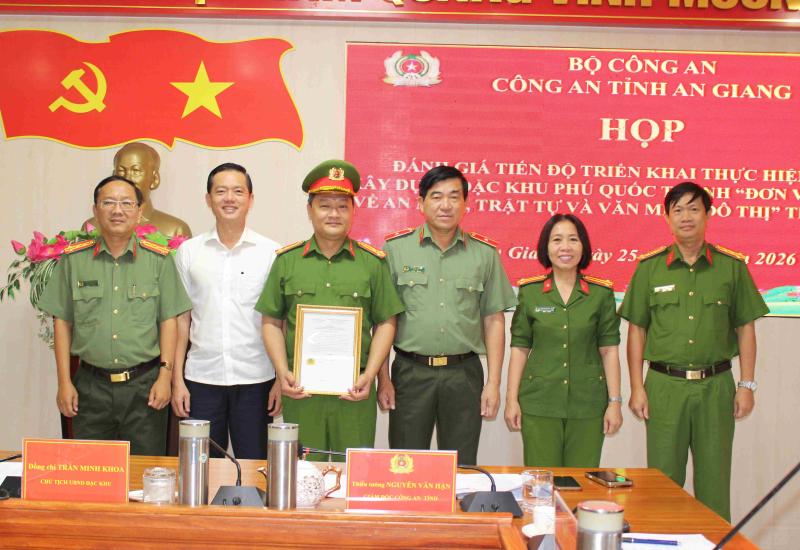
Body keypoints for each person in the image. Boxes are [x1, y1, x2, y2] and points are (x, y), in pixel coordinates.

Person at [619, 181, 769, 521]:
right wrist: (637, 387)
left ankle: (715, 542)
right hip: (663, 387)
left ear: (707, 215)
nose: (686, 217)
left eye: (694, 209)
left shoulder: (731, 267)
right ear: (667, 218)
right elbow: (637, 330)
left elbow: (745, 328)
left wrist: (747, 384)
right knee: (662, 483)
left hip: (716, 387)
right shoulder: (649, 268)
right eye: (678, 210)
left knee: (714, 483)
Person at [256, 160, 404, 460]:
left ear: (353, 211)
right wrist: (282, 372)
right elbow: (271, 321)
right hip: (301, 391)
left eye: (342, 206)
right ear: (309, 210)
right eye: (324, 205)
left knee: (353, 470)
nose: (333, 214)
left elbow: (386, 322)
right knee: (304, 472)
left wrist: (370, 375)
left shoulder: (372, 263)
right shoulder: (287, 261)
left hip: (354, 391)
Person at [38, 175, 192, 455]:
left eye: (126, 203)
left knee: (145, 471)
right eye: (108, 202)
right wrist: (64, 382)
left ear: (139, 212)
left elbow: (168, 321)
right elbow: (62, 322)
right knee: (92, 469)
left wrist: (165, 377)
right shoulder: (74, 260)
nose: (117, 210)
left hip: (145, 387)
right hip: (91, 387)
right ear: (95, 210)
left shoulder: (159, 260)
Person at [378, 165, 517, 465]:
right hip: (410, 373)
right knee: (405, 463)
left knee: (461, 464)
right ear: (421, 203)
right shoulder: (396, 250)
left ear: (465, 204)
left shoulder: (484, 254)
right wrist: (383, 378)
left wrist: (493, 383)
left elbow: (494, 321)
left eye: (454, 197)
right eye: (436, 196)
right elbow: (384, 319)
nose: (445, 205)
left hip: (463, 375)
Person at [171, 163, 282, 459]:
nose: (229, 198)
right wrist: (177, 379)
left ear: (250, 199)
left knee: (255, 466)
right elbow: (182, 320)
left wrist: (280, 380)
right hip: (201, 379)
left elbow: (278, 320)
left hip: (256, 379)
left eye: (237, 191)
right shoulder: (189, 252)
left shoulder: (271, 252)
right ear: (208, 199)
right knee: (201, 467)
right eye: (221, 191)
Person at [504, 214, 622, 467]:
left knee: (582, 481)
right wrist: (511, 399)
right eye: (557, 240)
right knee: (541, 481)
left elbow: (609, 350)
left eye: (573, 240)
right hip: (539, 402)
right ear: (546, 247)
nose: (565, 247)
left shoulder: (600, 293)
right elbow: (520, 348)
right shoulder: (530, 292)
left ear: (583, 246)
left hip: (588, 404)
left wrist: (615, 402)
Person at [83, 142, 191, 237]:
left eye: (136, 171)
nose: (128, 179)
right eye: (121, 171)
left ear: (155, 179)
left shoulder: (175, 230)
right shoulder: (92, 227)